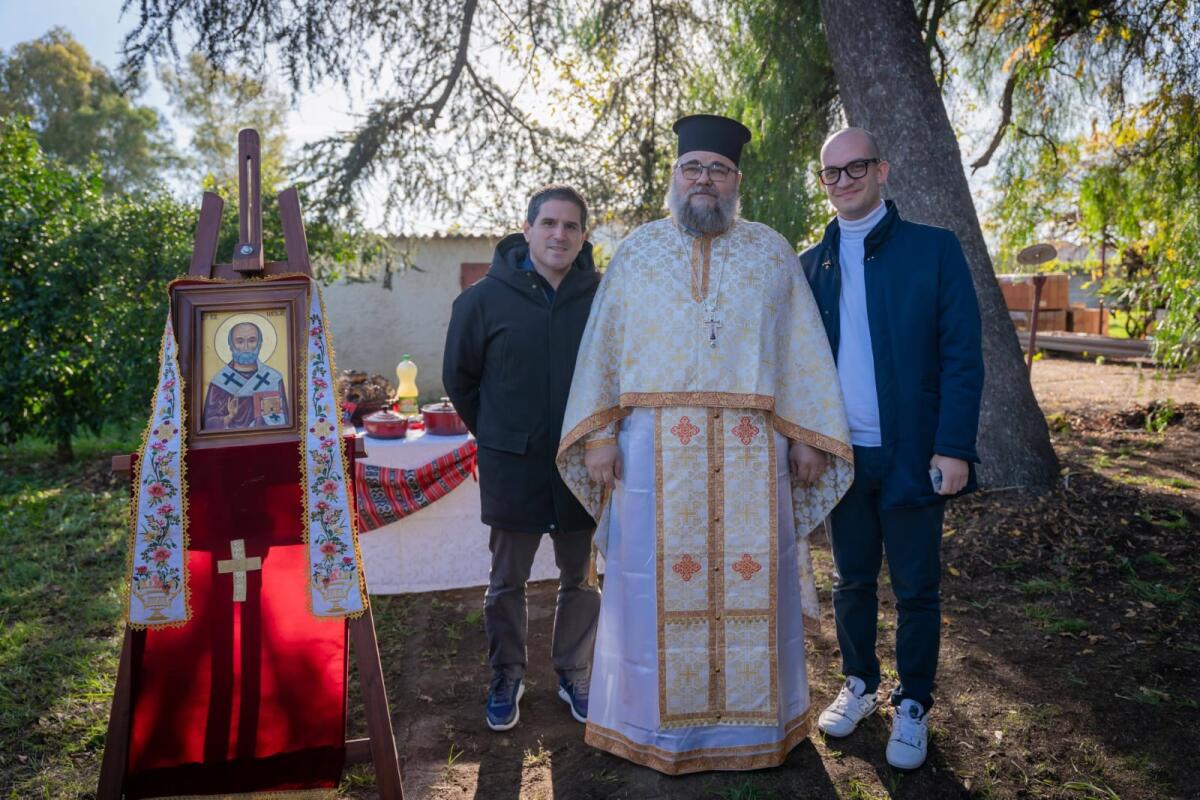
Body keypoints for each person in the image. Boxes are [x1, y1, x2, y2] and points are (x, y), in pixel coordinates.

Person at [557, 114, 854, 774]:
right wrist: (600, 435)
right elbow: (604, 350)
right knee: (648, 584)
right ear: (676, 177)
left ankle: (758, 729)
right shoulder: (638, 251)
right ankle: (651, 729)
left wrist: (806, 436)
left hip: (755, 455)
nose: (705, 180)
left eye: (718, 170)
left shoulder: (772, 250)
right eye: (693, 168)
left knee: (757, 584)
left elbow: (800, 348)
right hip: (652, 454)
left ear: (735, 181)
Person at [801, 127, 984, 770]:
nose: (844, 181)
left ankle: (913, 703)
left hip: (913, 454)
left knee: (916, 588)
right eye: (831, 173)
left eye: (856, 168)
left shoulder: (933, 250)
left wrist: (954, 446)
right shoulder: (810, 265)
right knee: (850, 578)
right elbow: (797, 365)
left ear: (883, 169)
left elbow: (963, 356)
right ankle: (859, 684)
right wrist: (808, 443)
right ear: (823, 183)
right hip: (843, 456)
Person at [443, 185, 602, 732]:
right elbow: (459, 380)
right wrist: (498, 433)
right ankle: (506, 674)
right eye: (550, 224)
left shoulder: (603, 298)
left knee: (579, 578)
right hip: (513, 464)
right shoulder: (483, 299)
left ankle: (574, 671)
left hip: (582, 466)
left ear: (584, 237)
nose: (560, 235)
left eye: (571, 226)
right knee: (506, 580)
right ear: (528, 229)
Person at [202, 321, 288, 430]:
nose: (246, 347)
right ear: (230, 345)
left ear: (260, 343)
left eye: (252, 340)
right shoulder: (220, 381)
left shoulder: (272, 378)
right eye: (240, 341)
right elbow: (208, 424)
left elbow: (284, 420)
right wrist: (230, 416)